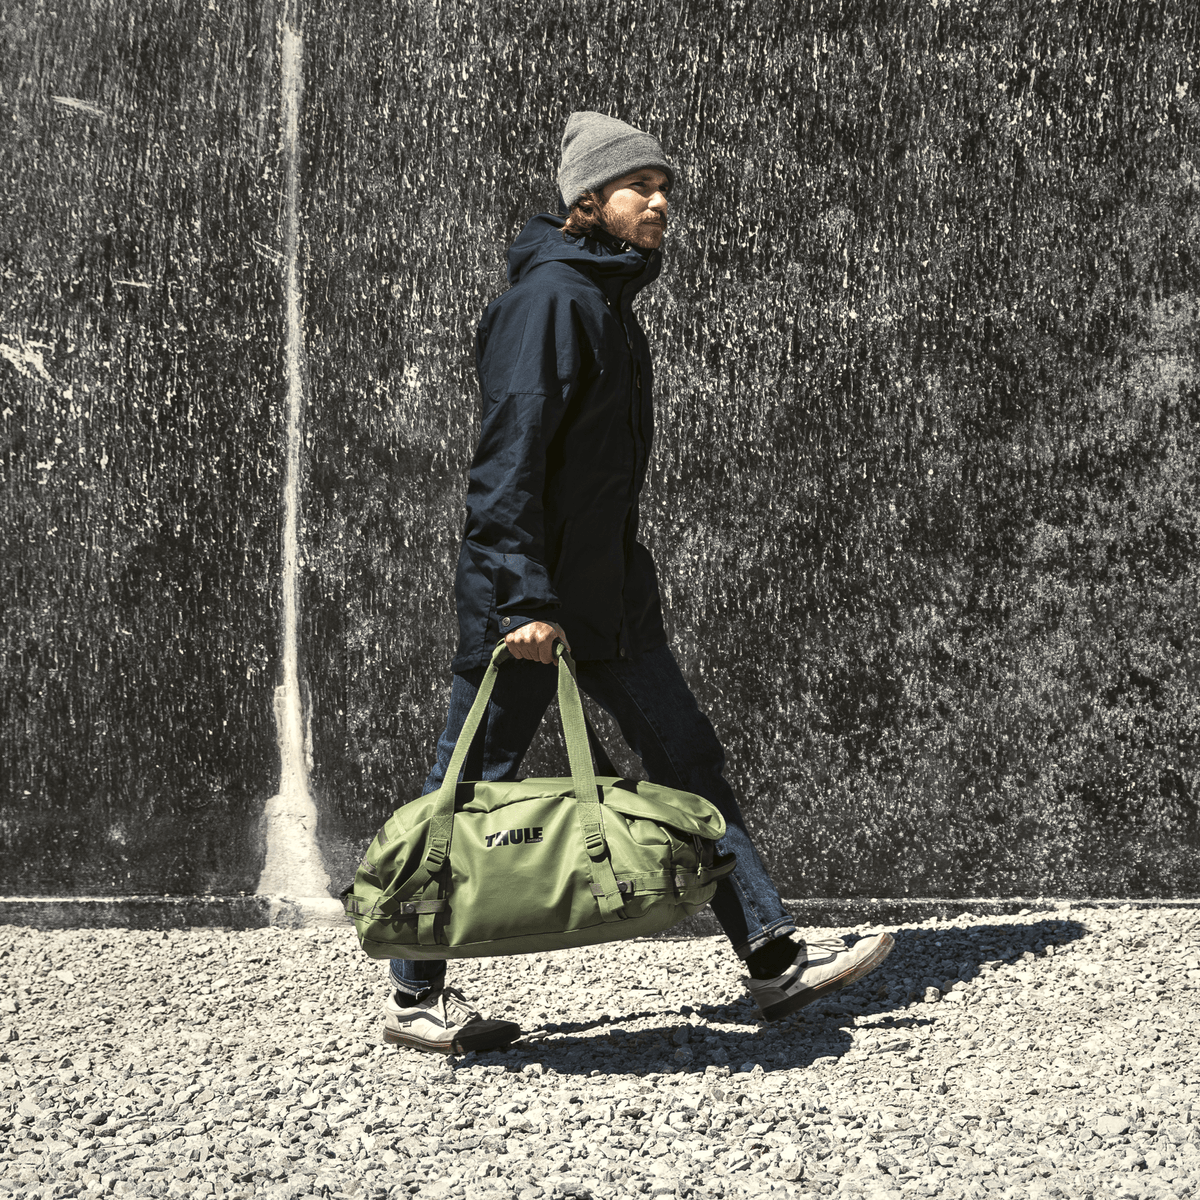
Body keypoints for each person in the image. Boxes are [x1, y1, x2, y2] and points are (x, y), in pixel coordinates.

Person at [383, 112, 894, 1054]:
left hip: (608, 596)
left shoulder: (606, 301)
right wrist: (523, 600)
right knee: (469, 786)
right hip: (532, 604)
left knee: (686, 761)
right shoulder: (552, 302)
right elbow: (506, 465)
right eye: (639, 187)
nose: (660, 203)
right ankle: (414, 996)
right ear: (590, 200)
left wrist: (610, 582)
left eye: (665, 187)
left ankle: (773, 958)